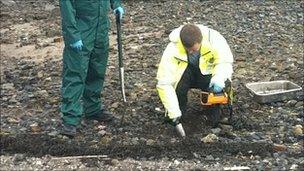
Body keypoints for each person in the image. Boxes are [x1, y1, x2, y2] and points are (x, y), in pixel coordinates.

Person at [59, 0, 124, 137]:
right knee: (75, 74)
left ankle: (93, 109)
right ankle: (70, 119)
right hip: (81, 31)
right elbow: (67, 10)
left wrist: (116, 4)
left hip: (100, 30)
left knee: (97, 70)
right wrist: (72, 36)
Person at [156, 24, 233, 130]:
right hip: (185, 74)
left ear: (201, 41)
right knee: (178, 89)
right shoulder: (172, 49)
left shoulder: (215, 39)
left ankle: (212, 116)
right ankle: (178, 117)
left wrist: (219, 78)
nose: (191, 52)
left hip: (207, 72)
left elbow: (224, 61)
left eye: (194, 50)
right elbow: (164, 83)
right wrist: (173, 111)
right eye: (189, 50)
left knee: (215, 94)